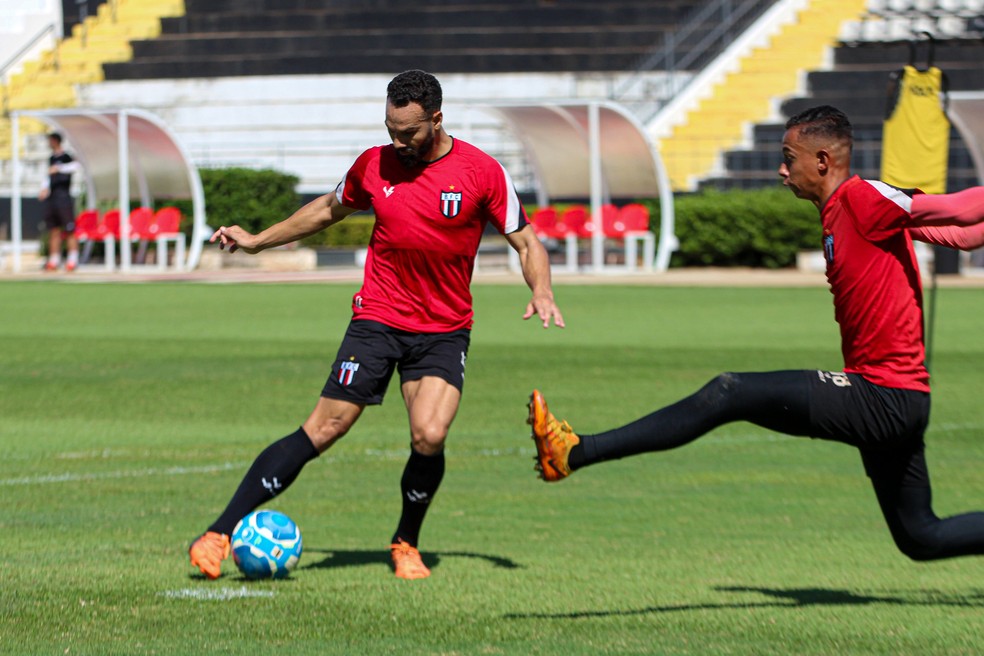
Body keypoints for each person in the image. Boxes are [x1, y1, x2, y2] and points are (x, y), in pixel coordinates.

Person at [529, 105, 984, 562]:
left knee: (731, 391)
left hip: (883, 396)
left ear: (822, 161)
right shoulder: (847, 213)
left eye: (790, 157)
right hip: (897, 399)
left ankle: (574, 451)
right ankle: (571, 454)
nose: (782, 170)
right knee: (921, 538)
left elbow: (960, 211)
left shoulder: (863, 199)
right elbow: (964, 237)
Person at [190, 70, 565, 580]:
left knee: (429, 434)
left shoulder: (482, 172)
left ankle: (406, 542)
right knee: (324, 429)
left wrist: (540, 289)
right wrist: (257, 241)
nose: (397, 141)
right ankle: (217, 533)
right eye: (390, 128)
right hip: (378, 319)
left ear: (436, 119)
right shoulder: (374, 163)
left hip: (443, 328)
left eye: (408, 132)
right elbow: (327, 209)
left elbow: (527, 242)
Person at [39, 132, 81, 271]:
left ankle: (72, 260)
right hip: (53, 199)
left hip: (64, 198)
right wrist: (44, 188)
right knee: (54, 230)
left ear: (56, 141)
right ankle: (54, 260)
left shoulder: (66, 157)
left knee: (69, 230)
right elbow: (48, 175)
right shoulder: (51, 158)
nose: (49, 143)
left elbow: (76, 166)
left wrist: (60, 168)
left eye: (51, 140)